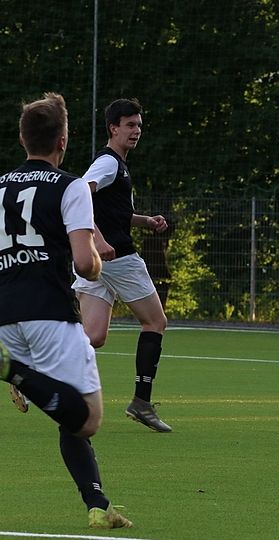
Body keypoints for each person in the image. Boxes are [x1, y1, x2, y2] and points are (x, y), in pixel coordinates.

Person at [0, 92, 133, 528]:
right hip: (50, 313)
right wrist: (97, 260)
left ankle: (98, 505)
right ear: (62, 141)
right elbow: (83, 263)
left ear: (23, 139)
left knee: (67, 413)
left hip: (4, 316)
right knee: (88, 418)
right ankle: (13, 370)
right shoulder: (71, 186)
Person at [72, 98, 172, 432]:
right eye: (129, 125)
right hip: (117, 258)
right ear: (113, 128)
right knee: (155, 321)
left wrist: (145, 221)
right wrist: (98, 239)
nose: (136, 131)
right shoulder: (108, 163)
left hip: (100, 260)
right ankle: (142, 402)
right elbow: (79, 194)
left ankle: (29, 366)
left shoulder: (118, 167)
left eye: (139, 125)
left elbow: (114, 213)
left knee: (93, 336)